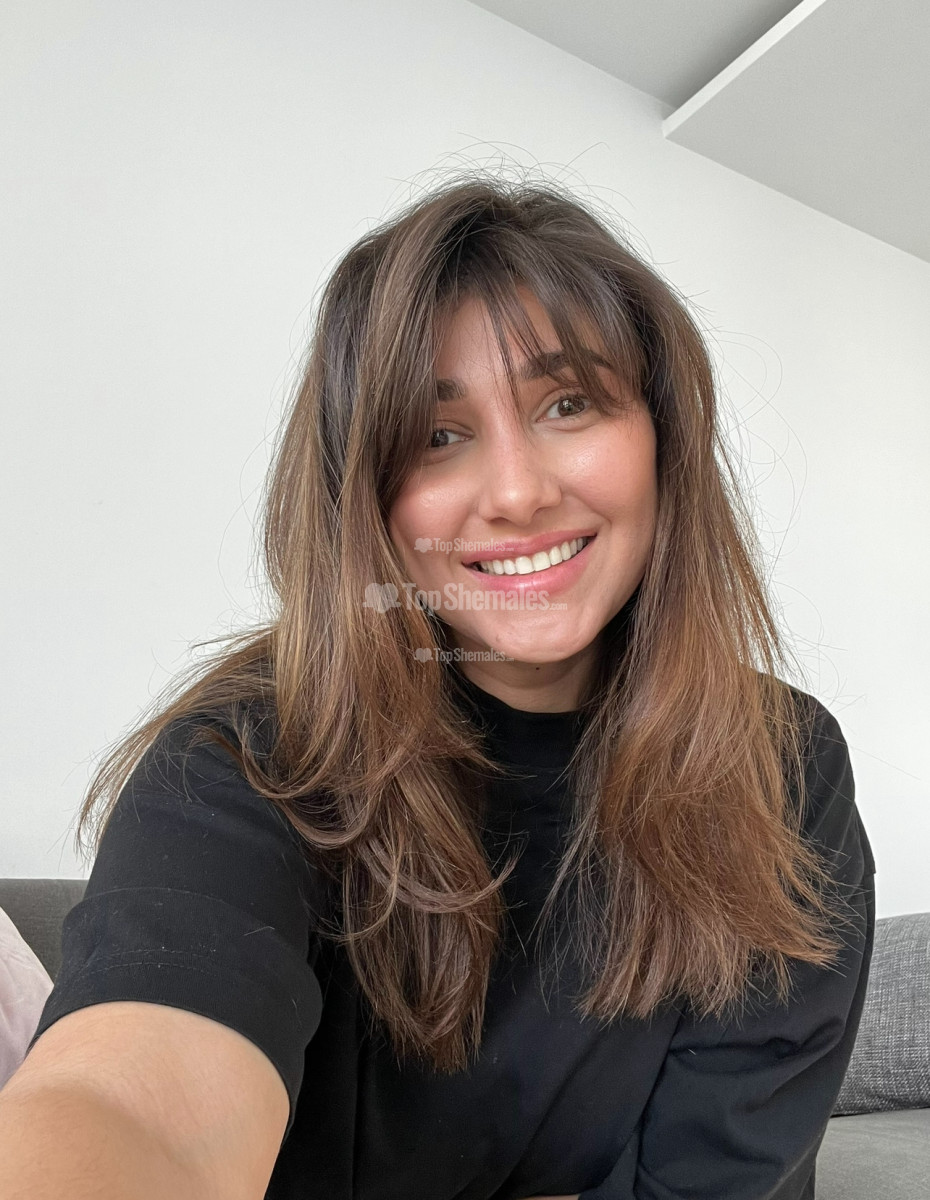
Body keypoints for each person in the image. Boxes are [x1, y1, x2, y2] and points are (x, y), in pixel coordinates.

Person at [0, 173, 875, 1200]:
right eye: (437, 435)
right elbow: (134, 1106)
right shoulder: (248, 758)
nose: (518, 493)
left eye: (568, 403)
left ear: (663, 438)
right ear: (362, 497)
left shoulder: (782, 765)